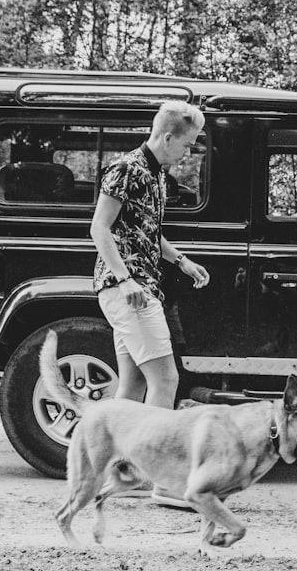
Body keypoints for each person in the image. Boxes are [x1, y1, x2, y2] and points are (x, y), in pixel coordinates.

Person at [90, 100, 210, 507]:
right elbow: (99, 228)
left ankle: (123, 472)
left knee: (135, 385)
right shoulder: (127, 169)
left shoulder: (156, 175)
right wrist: (124, 280)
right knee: (167, 381)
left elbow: (145, 231)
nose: (189, 153)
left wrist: (181, 260)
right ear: (167, 136)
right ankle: (163, 482)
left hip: (141, 286)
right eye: (188, 144)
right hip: (129, 290)